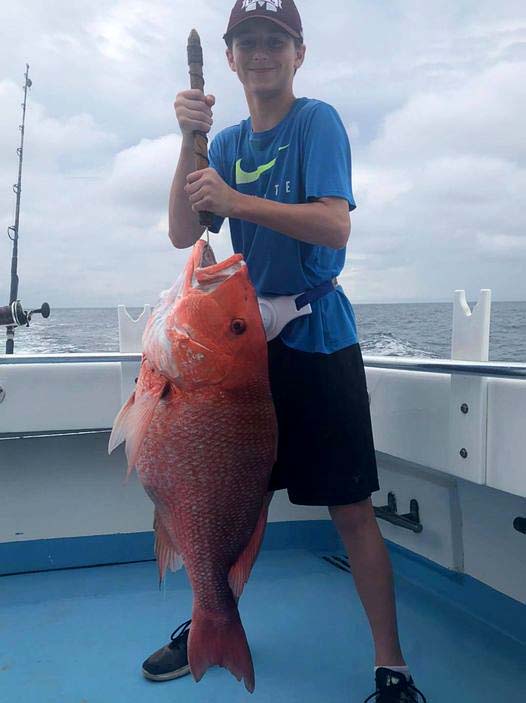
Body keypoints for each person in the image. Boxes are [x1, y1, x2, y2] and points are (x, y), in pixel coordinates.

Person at [142, 2, 427, 701]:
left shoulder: (316, 123)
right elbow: (184, 231)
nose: (261, 52)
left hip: (318, 341)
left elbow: (333, 227)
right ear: (230, 58)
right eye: (247, 41)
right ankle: (209, 616)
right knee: (228, 500)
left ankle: (391, 666)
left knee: (352, 510)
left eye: (276, 40)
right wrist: (190, 139)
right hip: (243, 352)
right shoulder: (227, 140)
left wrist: (236, 201)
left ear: (300, 53)